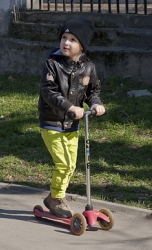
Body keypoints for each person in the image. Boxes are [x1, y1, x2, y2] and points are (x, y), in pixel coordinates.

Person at [38, 18, 106, 218]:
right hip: (51, 122)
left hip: (73, 125)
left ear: (82, 46)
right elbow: (49, 92)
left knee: (72, 165)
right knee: (64, 164)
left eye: (73, 39)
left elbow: (92, 91)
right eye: (64, 37)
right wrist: (70, 107)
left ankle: (55, 196)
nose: (66, 42)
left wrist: (95, 104)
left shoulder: (89, 68)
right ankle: (56, 199)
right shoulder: (51, 65)